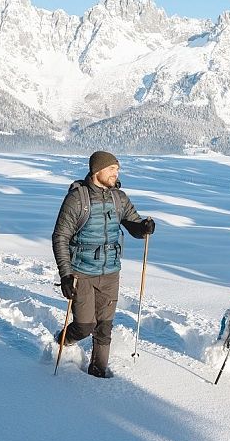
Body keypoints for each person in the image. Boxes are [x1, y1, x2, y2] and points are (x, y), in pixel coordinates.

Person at [52, 150, 155, 378]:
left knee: (104, 327)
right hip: (82, 272)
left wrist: (143, 228)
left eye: (117, 169)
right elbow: (60, 236)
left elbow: (132, 222)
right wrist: (66, 275)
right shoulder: (78, 198)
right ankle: (61, 341)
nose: (116, 173)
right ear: (97, 170)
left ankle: (98, 373)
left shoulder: (119, 197)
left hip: (110, 272)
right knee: (85, 326)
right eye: (112, 168)